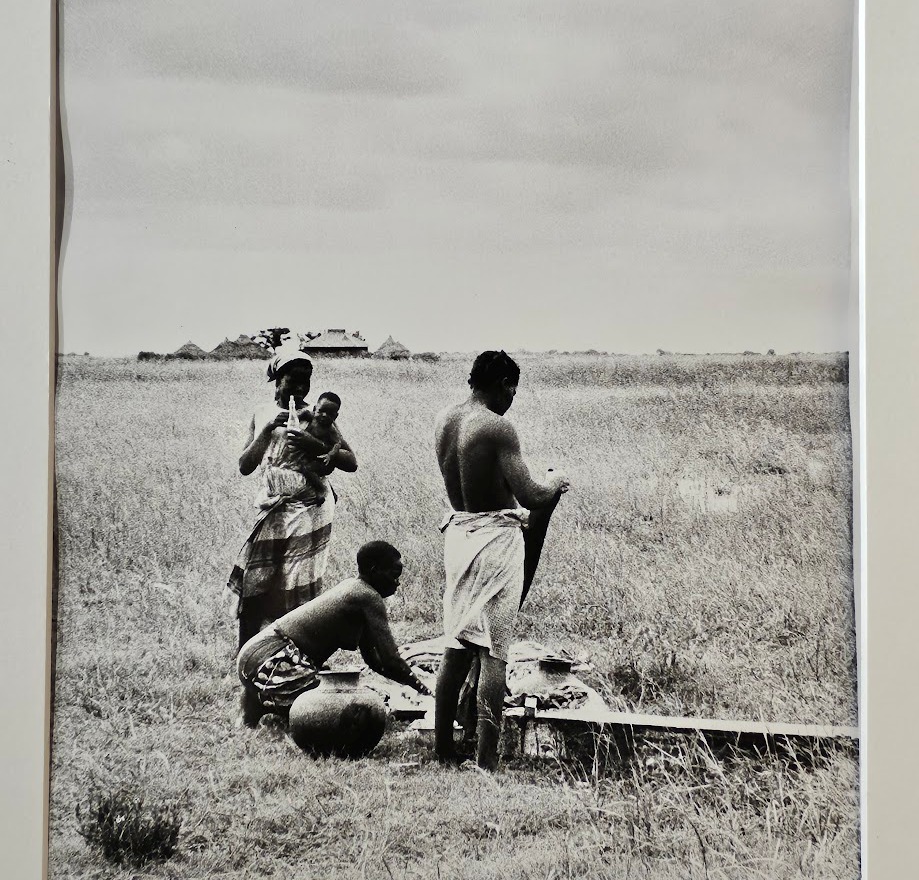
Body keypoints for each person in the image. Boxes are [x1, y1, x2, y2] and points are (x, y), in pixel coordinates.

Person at [433, 350, 570, 770]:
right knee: (495, 651)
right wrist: (555, 483)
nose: (513, 397)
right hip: (494, 540)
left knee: (457, 643)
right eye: (513, 388)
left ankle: (443, 747)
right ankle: (486, 759)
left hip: (459, 534)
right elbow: (531, 495)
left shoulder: (446, 419)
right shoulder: (497, 427)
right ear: (504, 383)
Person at [228, 349, 357, 652]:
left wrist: (313, 442)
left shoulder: (318, 414)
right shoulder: (263, 413)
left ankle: (297, 657)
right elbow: (245, 466)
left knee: (297, 587)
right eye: (292, 381)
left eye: (306, 382)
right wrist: (268, 429)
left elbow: (350, 461)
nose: (300, 389)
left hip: (309, 509)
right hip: (271, 508)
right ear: (277, 380)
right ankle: (248, 657)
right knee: (255, 582)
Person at [236, 541, 431, 727]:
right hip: (270, 656)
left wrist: (412, 687)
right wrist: (424, 690)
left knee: (339, 694)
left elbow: (375, 661)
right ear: (374, 571)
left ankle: (261, 698)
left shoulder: (357, 591)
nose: (397, 583)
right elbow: (390, 659)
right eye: (394, 574)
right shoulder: (367, 596)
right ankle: (267, 700)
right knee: (337, 711)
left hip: (255, 654)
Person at [294, 392, 343, 498]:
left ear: (336, 416)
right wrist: (295, 416)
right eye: (321, 411)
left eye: (330, 414)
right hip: (310, 455)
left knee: (307, 469)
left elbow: (338, 443)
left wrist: (330, 455)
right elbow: (303, 413)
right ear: (315, 408)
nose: (325, 415)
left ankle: (321, 490)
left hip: (323, 461)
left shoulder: (330, 429)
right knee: (300, 466)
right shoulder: (311, 417)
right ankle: (329, 491)